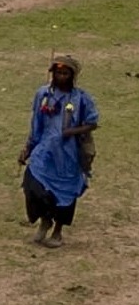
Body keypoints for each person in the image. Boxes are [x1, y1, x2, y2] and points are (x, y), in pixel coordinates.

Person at [22, 53, 99, 247]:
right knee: (32, 184)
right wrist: (28, 147)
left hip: (68, 155)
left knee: (65, 193)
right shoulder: (43, 95)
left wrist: (71, 131)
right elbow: (36, 124)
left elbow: (92, 123)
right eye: (58, 73)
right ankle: (44, 220)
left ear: (72, 76)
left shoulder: (81, 98)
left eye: (66, 73)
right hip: (44, 150)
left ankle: (57, 231)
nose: (61, 76)